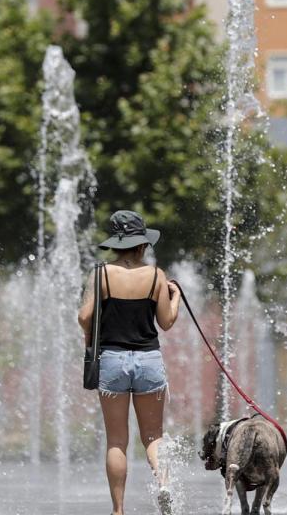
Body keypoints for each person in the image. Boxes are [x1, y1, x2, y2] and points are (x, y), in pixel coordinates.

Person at [78, 210, 181, 515]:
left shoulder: (101, 274)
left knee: (117, 441)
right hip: (149, 359)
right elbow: (167, 322)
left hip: (111, 360)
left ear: (115, 244)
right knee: (153, 436)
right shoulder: (156, 276)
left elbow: (84, 317)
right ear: (141, 245)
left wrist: (91, 334)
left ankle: (119, 510)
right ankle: (162, 482)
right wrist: (174, 297)